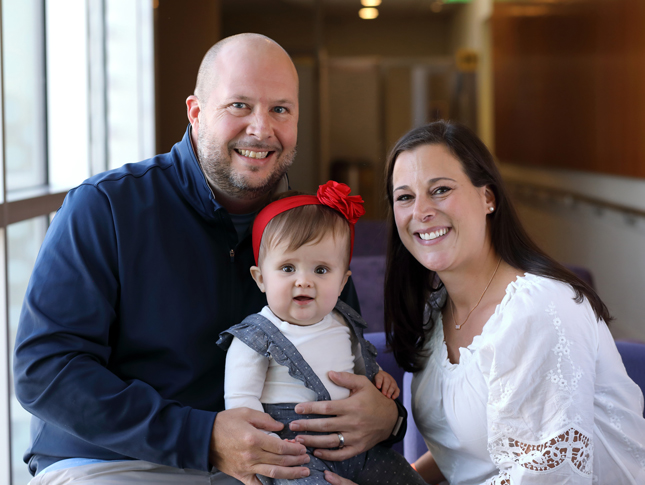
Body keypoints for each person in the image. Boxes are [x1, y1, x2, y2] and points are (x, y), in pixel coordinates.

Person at [13, 33, 405, 485]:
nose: (261, 129)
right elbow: (45, 370)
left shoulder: (311, 230)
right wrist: (202, 437)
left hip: (273, 470)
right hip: (110, 463)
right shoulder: (105, 207)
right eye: (239, 105)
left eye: (280, 109)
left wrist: (388, 419)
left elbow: (350, 361)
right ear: (196, 113)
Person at [324, 120, 645, 485]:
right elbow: (469, 448)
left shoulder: (541, 308)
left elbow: (550, 473)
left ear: (488, 198)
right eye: (405, 197)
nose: (421, 211)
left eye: (440, 189)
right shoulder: (438, 310)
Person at [218, 182, 424, 485]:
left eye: (321, 270)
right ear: (260, 278)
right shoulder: (256, 336)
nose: (304, 281)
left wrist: (379, 378)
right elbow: (241, 402)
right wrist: (264, 450)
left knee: (406, 478)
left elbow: (359, 363)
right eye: (288, 268)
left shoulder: (343, 321)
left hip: (357, 445)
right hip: (293, 452)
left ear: (342, 283)